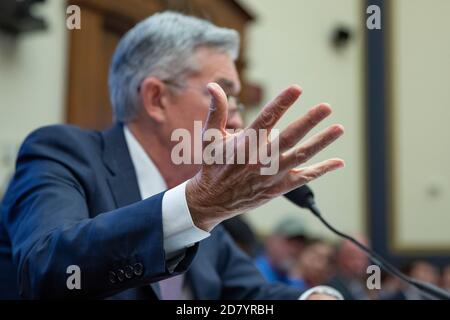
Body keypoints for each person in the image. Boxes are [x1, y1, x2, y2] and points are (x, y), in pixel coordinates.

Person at [0, 11, 344, 299]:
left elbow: (252, 296)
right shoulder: (62, 153)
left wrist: (313, 297)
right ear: (156, 99)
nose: (238, 119)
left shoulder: (200, 203)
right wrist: (198, 206)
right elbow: (45, 269)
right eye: (226, 95)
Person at [255, 217, 310, 286]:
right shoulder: (252, 274)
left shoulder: (297, 284)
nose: (294, 251)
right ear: (271, 241)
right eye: (289, 242)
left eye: (300, 245)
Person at [327, 235, 371, 300]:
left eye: (363, 257)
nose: (359, 263)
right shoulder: (331, 288)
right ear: (339, 256)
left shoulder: (363, 282)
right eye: (353, 256)